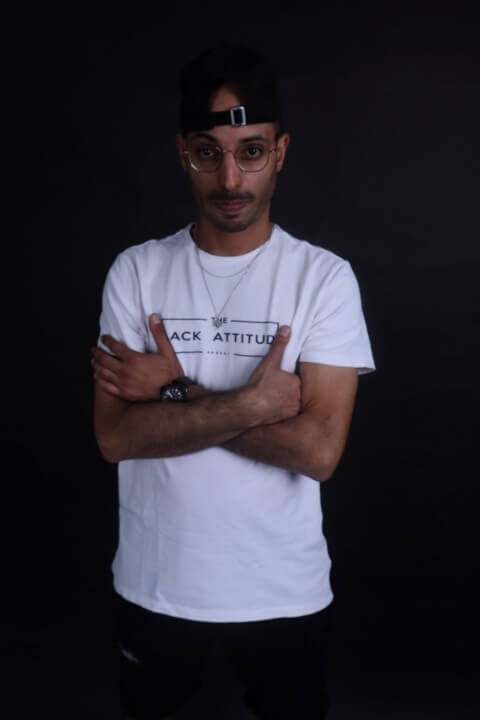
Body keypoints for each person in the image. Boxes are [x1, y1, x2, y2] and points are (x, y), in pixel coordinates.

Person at [92, 46, 375, 720]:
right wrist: (252, 404)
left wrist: (175, 390)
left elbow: (317, 452)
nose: (229, 178)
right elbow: (116, 438)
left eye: (250, 152)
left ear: (280, 152)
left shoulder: (323, 279)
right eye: (206, 153)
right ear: (182, 153)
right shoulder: (136, 271)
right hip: (157, 585)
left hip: (282, 589)